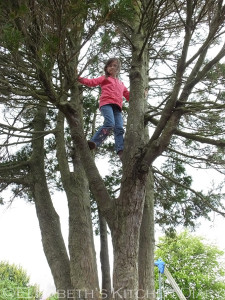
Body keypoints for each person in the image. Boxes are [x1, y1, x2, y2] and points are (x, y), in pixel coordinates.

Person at [78, 58, 130, 160]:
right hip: (106, 104)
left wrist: (142, 95)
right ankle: (93, 142)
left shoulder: (121, 84)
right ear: (106, 68)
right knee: (110, 123)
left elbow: (129, 96)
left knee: (119, 128)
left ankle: (121, 150)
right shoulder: (105, 78)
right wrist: (78, 78)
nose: (112, 67)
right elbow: (91, 82)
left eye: (114, 65)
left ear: (118, 69)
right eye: (110, 65)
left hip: (117, 108)